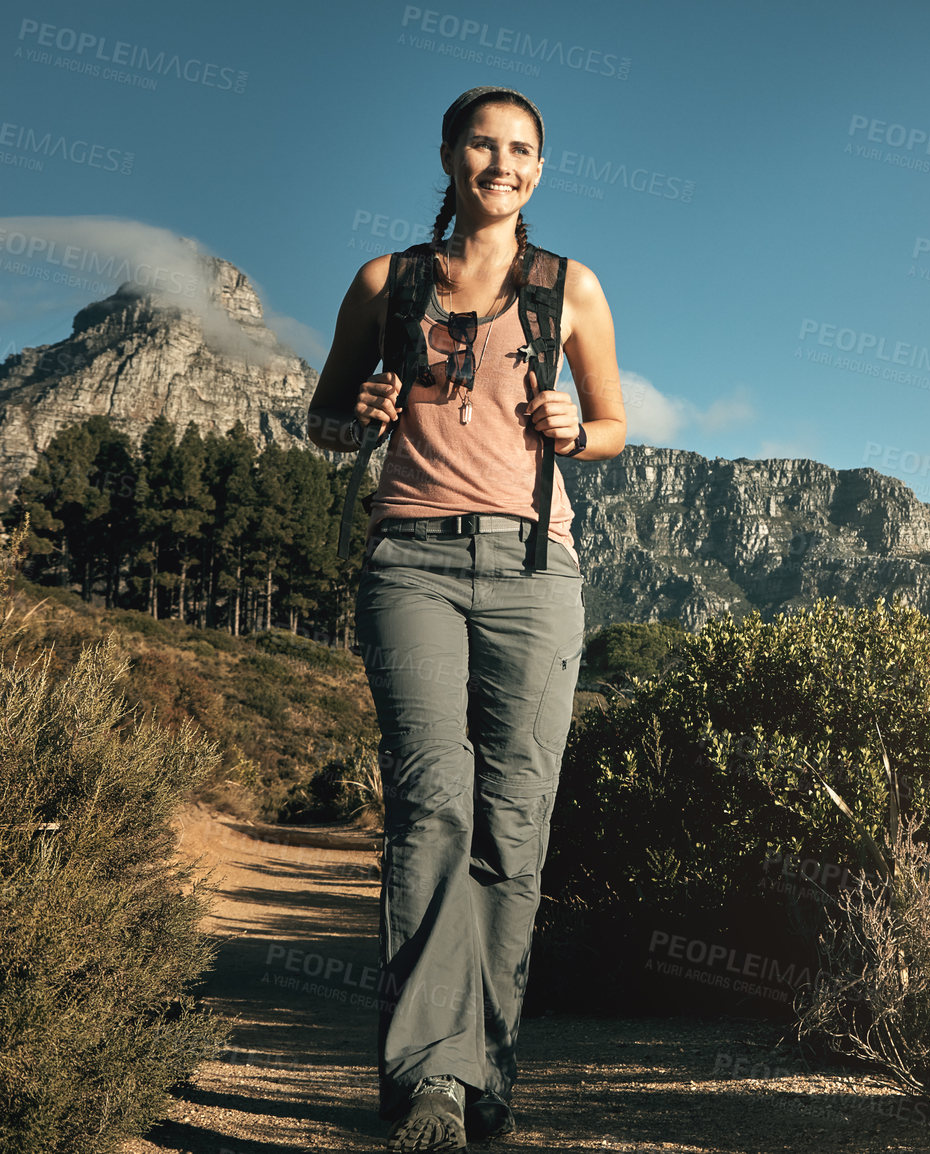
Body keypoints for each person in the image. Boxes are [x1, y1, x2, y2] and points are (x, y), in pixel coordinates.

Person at [306, 85, 625, 1151]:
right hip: (411, 562)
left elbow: (615, 421)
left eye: (523, 149)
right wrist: (355, 410)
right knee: (432, 803)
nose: (503, 162)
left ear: (541, 168)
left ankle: (482, 1068)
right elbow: (323, 414)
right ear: (448, 156)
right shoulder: (385, 281)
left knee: (514, 822)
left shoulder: (569, 286)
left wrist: (577, 427)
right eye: (483, 144)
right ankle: (434, 1080)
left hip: (538, 567)